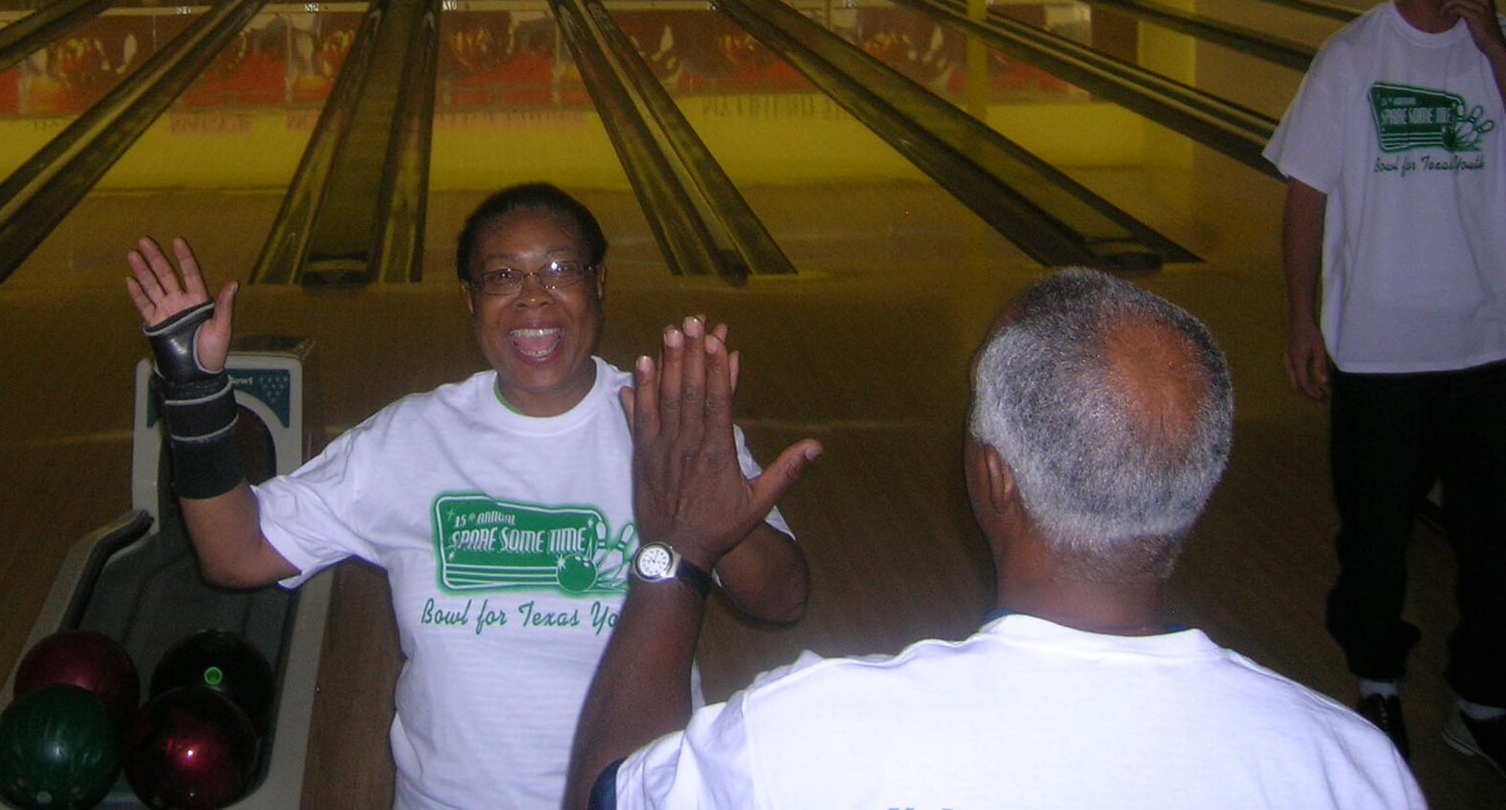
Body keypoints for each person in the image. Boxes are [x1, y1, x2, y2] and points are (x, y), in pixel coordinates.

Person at [565, 268, 1424, 809]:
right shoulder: (1352, 769)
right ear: (1195, 480)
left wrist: (672, 550)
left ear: (993, 477)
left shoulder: (808, 736)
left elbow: (609, 793)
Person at [125, 182, 809, 810]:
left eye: (559, 269)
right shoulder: (409, 440)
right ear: (470, 298)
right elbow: (234, 554)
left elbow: (782, 600)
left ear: (599, 283)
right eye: (502, 276)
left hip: (642, 798)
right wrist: (192, 394)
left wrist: (713, 516)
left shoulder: (673, 428)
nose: (532, 298)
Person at [1265, 0, 1506, 772]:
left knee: (1495, 544)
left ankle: (1481, 700)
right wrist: (1302, 319)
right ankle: (1379, 690)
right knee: (1374, 547)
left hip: (1488, 347)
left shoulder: (1493, 51)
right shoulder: (1353, 57)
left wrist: (1489, 40)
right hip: (1379, 354)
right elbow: (1305, 196)